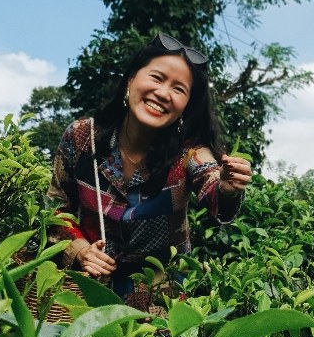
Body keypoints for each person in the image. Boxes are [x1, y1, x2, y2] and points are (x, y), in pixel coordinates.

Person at [48, 32, 252, 311]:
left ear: (186, 106)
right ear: (131, 79)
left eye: (179, 89)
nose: (163, 93)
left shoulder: (189, 153)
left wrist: (227, 188)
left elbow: (212, 183)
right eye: (157, 78)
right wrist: (80, 250)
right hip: (85, 291)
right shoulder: (83, 137)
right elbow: (56, 207)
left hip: (158, 304)